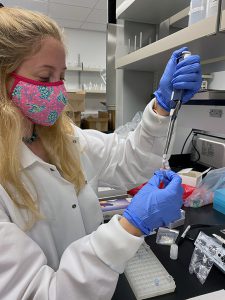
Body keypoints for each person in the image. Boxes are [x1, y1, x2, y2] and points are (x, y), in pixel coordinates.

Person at [0, 7, 202, 300]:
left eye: (61, 77)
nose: (59, 91)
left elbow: (128, 161)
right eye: (45, 79)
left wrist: (161, 106)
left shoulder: (64, 137)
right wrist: (131, 225)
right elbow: (40, 294)